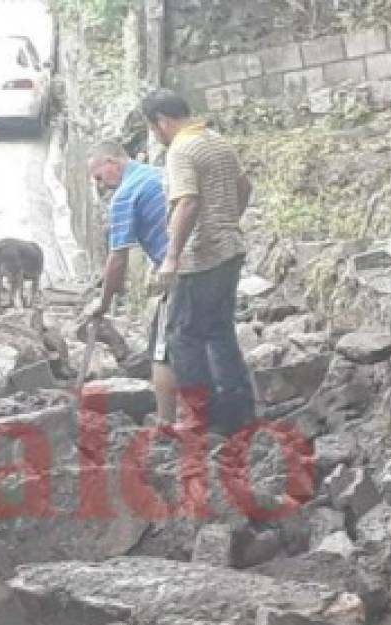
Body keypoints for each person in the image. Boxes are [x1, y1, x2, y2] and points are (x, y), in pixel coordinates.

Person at [142, 90, 256, 437]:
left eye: (153, 128)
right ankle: (237, 412)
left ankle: (198, 417)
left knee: (183, 336)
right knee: (219, 332)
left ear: (162, 120)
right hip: (230, 250)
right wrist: (227, 220)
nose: (156, 136)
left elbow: (187, 203)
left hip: (200, 257)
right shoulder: (217, 141)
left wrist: (172, 256)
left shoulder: (181, 150)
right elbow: (244, 186)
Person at [83, 140, 174, 422]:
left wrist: (104, 301)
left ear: (111, 162)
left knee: (163, 351)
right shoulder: (159, 174)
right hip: (210, 263)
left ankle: (167, 424)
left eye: (99, 177)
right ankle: (231, 414)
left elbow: (118, 257)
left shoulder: (126, 194)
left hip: (182, 271)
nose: (101, 186)